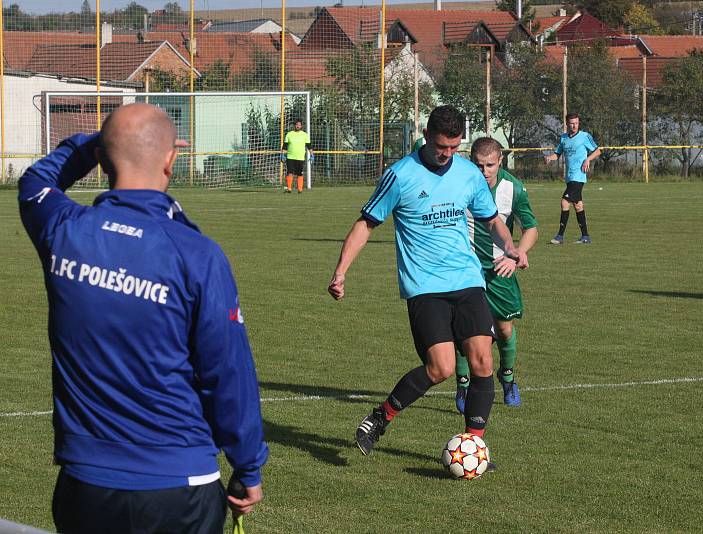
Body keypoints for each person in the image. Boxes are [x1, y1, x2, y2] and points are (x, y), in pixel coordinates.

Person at [17, 103, 268, 533]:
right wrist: (248, 466)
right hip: (179, 487)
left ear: (104, 160)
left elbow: (36, 180)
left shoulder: (64, 229)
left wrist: (97, 144)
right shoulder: (197, 253)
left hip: (86, 485)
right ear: (170, 160)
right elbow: (227, 373)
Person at [327, 105, 520, 458]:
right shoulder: (400, 175)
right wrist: (341, 272)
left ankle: (472, 445)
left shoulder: (468, 174)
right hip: (425, 288)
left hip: (467, 280)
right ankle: (380, 418)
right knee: (442, 368)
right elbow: (365, 225)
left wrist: (511, 247)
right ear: (427, 136)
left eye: (454, 148)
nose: (447, 155)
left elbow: (491, 220)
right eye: (441, 147)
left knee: (482, 363)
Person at [454, 138, 538, 413]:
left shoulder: (512, 187)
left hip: (499, 269)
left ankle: (508, 377)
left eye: (490, 165)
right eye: (479, 165)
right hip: (465, 270)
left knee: (503, 328)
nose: (484, 171)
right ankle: (464, 383)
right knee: (465, 331)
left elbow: (531, 228)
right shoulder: (458, 182)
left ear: (500, 161)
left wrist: (517, 255)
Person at [544, 112, 601, 244]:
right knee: (578, 205)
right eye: (571, 123)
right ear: (567, 124)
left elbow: (597, 151)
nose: (574, 125)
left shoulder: (585, 136)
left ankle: (560, 236)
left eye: (576, 123)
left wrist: (588, 159)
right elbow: (557, 154)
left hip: (578, 177)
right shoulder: (564, 138)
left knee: (564, 202)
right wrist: (549, 158)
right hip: (569, 178)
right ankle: (585, 236)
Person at [282, 119, 313, 193]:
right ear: (294, 125)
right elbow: (285, 146)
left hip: (300, 157)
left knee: (300, 173)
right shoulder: (289, 134)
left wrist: (312, 155)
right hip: (290, 157)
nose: (298, 126)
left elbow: (309, 146)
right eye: (296, 125)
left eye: (299, 125)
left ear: (301, 126)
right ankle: (289, 189)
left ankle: (300, 189)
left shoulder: (305, 135)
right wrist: (282, 155)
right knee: (290, 172)